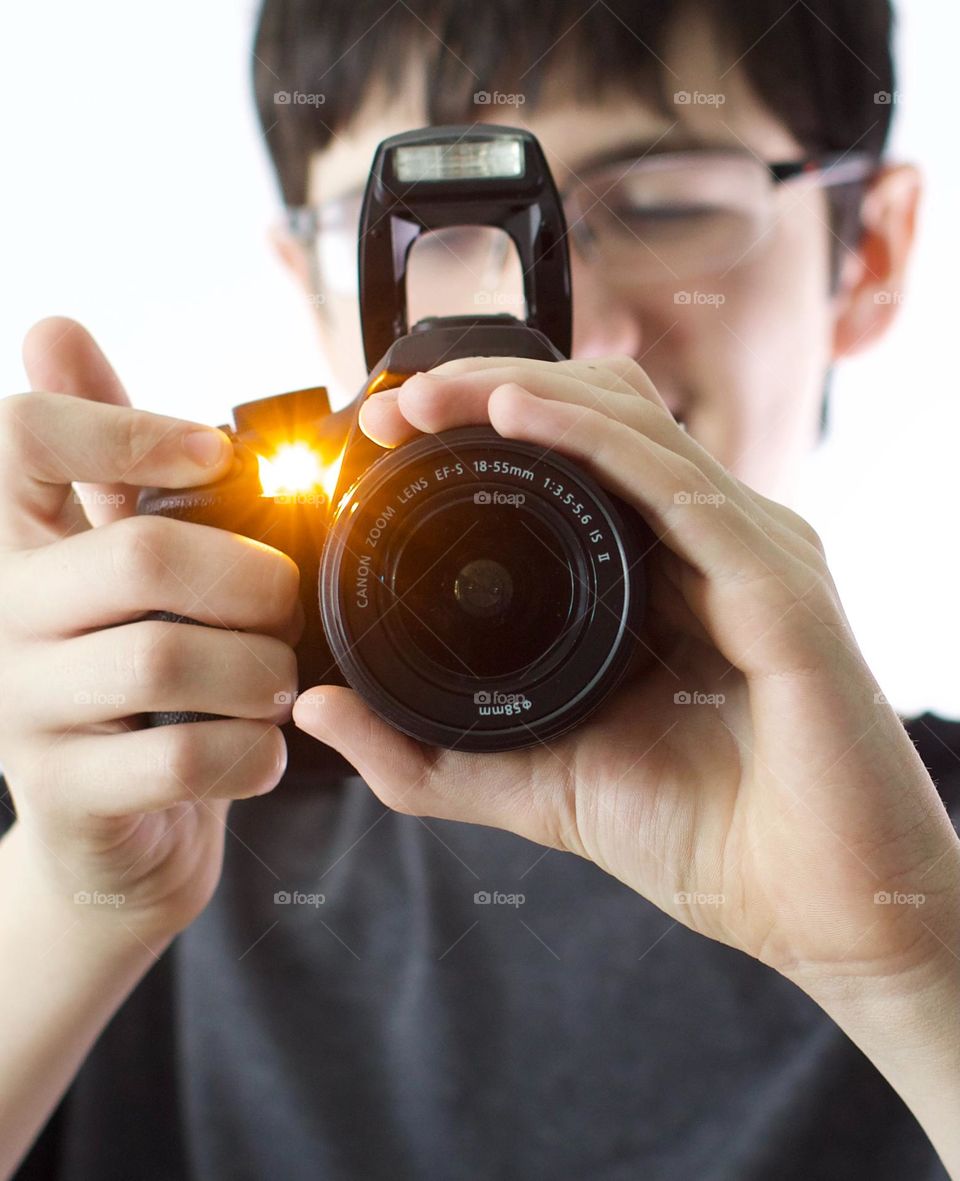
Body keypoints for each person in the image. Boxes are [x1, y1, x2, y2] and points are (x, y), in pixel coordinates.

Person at [1, 0, 957, 1177]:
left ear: (872, 253)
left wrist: (913, 957)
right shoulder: (135, 786)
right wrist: (66, 902)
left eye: (664, 203)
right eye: (429, 245)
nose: (564, 340)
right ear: (317, 283)